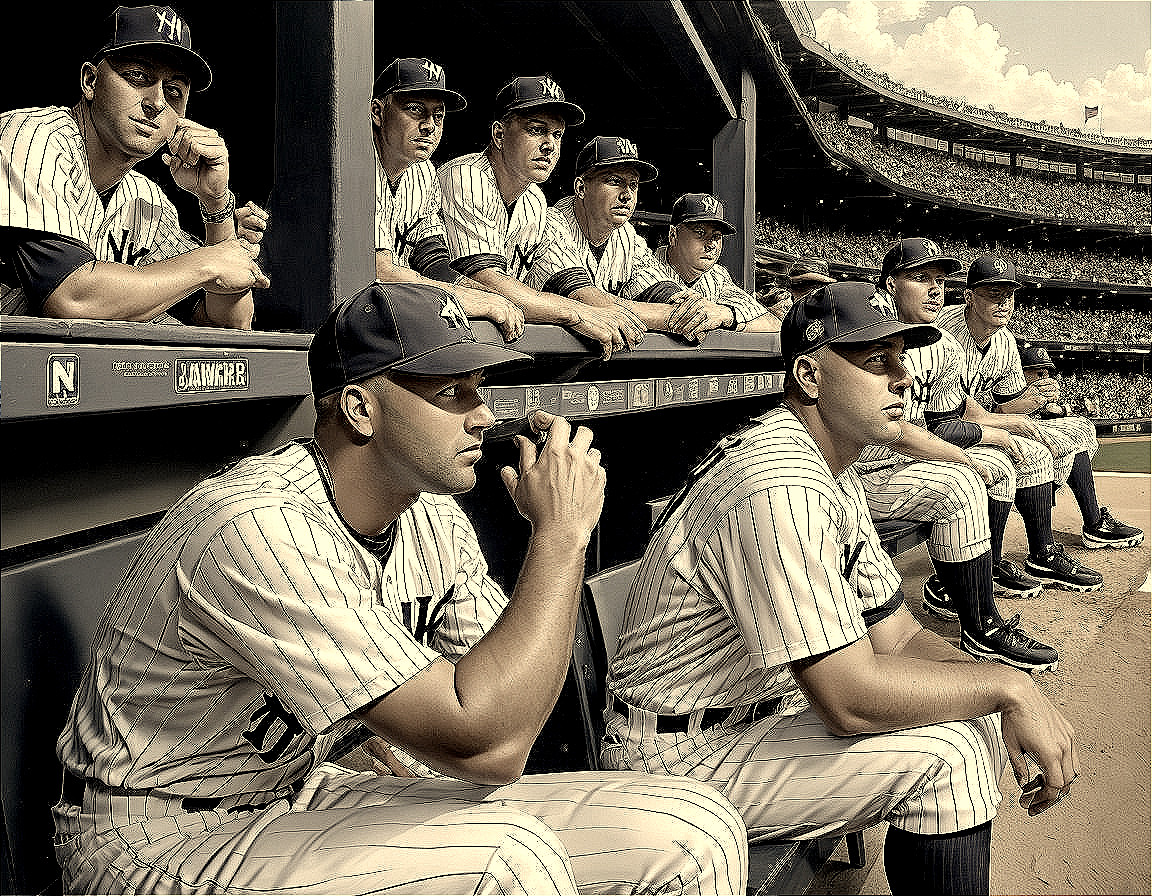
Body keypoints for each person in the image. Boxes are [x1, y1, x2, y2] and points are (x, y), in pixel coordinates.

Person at [52, 280, 750, 895]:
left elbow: (508, 695)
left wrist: (404, 735)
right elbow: (490, 742)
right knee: (507, 861)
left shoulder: (433, 516)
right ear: (360, 409)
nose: (482, 414)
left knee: (693, 827)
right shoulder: (257, 524)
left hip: (295, 795)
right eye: (451, 392)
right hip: (152, 838)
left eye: (480, 389)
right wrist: (561, 539)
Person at [602, 281, 1080, 896]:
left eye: (901, 359)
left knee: (971, 717)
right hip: (674, 756)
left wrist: (1006, 694)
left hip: (747, 722)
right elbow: (847, 697)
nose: (902, 377)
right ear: (809, 374)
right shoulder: (776, 482)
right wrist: (1009, 688)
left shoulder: (835, 470)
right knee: (951, 757)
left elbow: (900, 635)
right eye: (875, 361)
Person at [858, 238, 1058, 671]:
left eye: (940, 279)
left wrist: (976, 441)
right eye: (920, 277)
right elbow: (890, 431)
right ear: (891, 284)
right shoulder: (864, 325)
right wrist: (963, 454)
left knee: (996, 468)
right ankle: (980, 624)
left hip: (899, 461)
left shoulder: (943, 346)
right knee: (962, 481)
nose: (935, 289)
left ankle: (967, 587)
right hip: (853, 468)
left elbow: (941, 421)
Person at [1, 4, 268, 328]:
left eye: (173, 91)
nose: (156, 103)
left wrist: (215, 206)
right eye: (138, 76)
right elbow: (71, 297)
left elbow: (229, 326)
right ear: (90, 80)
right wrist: (207, 264)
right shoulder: (33, 137)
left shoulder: (145, 200)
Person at [937, 257, 1143, 563]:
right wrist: (1014, 422)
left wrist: (1033, 399)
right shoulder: (944, 331)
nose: (1004, 301)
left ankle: (1088, 525)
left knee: (1078, 429)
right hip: (945, 424)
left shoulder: (1005, 341)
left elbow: (1007, 401)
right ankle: (1006, 558)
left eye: (1009, 294)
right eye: (993, 293)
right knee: (1034, 450)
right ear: (969, 296)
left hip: (986, 420)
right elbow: (946, 405)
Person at [437, 75, 645, 360]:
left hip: (498, 339)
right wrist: (576, 314)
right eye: (536, 130)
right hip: (441, 336)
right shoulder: (466, 176)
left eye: (557, 135)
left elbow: (574, 286)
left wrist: (606, 311)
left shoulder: (535, 201)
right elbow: (487, 281)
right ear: (499, 135)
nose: (550, 146)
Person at [530, 135, 776, 341]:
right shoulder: (551, 222)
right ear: (581, 188)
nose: (627, 195)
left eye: (633, 185)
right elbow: (587, 299)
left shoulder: (627, 236)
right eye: (615, 181)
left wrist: (710, 312)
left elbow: (662, 289)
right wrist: (681, 319)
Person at [370, 57, 524, 343]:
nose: (429, 126)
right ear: (378, 113)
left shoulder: (424, 172)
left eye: (438, 116)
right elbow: (380, 272)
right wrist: (475, 301)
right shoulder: (358, 160)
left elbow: (434, 262)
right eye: (416, 111)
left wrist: (485, 294)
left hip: (382, 317)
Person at [654, 192, 780, 340]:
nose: (711, 244)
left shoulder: (716, 275)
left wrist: (726, 315)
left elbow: (772, 324)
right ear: (673, 235)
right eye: (700, 233)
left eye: (716, 236)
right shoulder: (647, 265)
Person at [1018, 343, 1073, 419]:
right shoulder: (1011, 394)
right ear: (1022, 374)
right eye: (1040, 374)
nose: (1044, 379)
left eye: (1047, 374)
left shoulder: (1050, 392)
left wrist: (1060, 411)